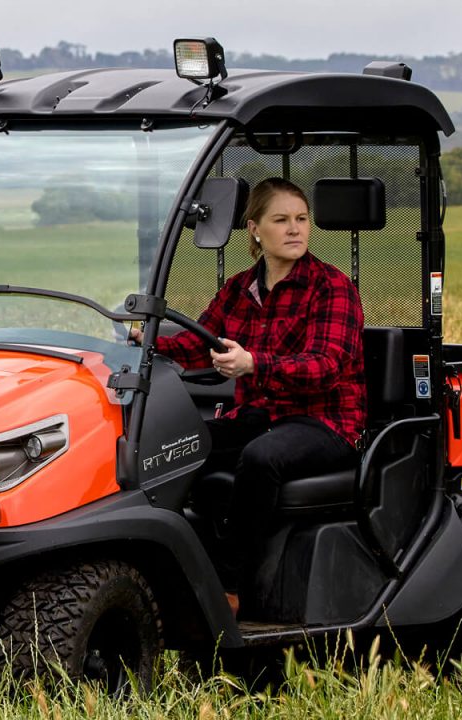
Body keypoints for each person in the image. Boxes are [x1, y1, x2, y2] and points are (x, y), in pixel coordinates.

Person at [148, 177, 365, 611]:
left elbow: (326, 367)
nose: (295, 229)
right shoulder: (239, 288)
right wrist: (142, 342)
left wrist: (254, 364)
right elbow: (199, 343)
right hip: (262, 415)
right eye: (281, 220)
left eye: (301, 219)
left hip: (326, 422)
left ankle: (231, 585)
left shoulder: (332, 287)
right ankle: (175, 561)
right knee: (179, 446)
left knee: (263, 458)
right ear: (255, 229)